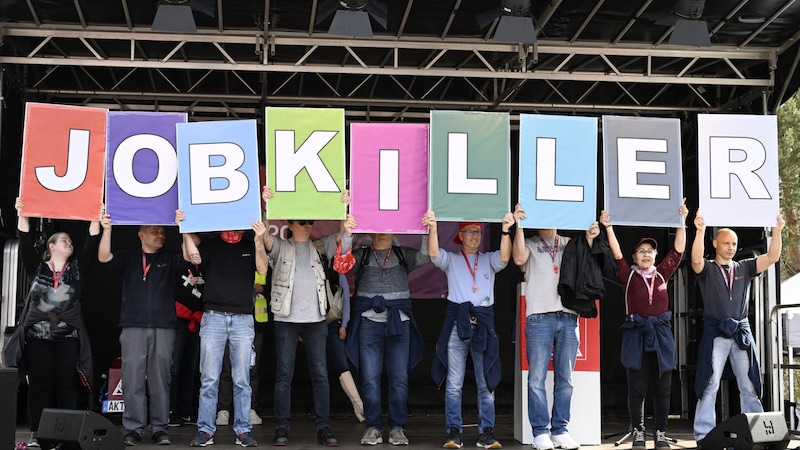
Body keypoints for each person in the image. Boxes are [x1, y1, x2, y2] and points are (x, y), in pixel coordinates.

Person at [262, 186, 353, 447]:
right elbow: (265, 237)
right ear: (289, 223)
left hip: (315, 321)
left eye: (310, 221)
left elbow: (343, 242)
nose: (307, 225)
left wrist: (343, 210)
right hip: (286, 320)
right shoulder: (281, 246)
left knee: (321, 375)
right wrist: (266, 206)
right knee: (284, 375)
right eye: (302, 221)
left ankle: (324, 428)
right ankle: (281, 428)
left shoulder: (320, 246)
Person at [98, 211, 198, 446]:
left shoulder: (170, 257)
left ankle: (160, 428)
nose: (160, 235)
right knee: (132, 380)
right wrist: (108, 229)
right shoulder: (130, 257)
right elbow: (104, 258)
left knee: (160, 379)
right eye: (155, 231)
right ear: (141, 234)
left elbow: (193, 258)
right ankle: (133, 429)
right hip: (133, 326)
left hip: (164, 327)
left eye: (162, 232)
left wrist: (184, 227)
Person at [691, 209, 785, 445]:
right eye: (726, 243)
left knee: (749, 384)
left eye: (734, 243)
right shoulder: (708, 268)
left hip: (741, 333)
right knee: (709, 384)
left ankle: (759, 434)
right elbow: (695, 260)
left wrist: (776, 231)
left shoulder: (744, 267)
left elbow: (772, 257)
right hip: (716, 333)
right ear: (715, 244)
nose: (731, 247)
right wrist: (700, 230)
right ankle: (704, 435)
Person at [601, 199, 688, 449]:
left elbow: (678, 252)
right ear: (634, 257)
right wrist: (608, 226)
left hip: (661, 336)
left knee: (662, 389)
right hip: (636, 335)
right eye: (642, 252)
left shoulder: (663, 273)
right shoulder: (627, 275)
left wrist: (681, 220)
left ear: (656, 256)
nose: (647, 255)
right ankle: (638, 431)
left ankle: (660, 432)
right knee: (637, 388)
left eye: (650, 251)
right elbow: (616, 253)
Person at [15, 198, 100, 448]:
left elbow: (91, 242)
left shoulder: (77, 270)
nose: (70, 243)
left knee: (65, 384)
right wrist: (23, 213)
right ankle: (35, 431)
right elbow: (24, 240)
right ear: (51, 246)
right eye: (64, 240)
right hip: (37, 338)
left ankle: (67, 433)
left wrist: (95, 215)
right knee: (39, 385)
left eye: (70, 241)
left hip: (67, 338)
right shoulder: (37, 268)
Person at [426, 210, 513, 450]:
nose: (475, 236)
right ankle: (454, 432)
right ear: (460, 236)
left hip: (483, 325)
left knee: (485, 382)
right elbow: (434, 253)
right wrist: (432, 227)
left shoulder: (488, 259)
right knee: (454, 383)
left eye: (478, 231)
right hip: (458, 326)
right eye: (470, 232)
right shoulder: (452, 259)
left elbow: (505, 257)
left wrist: (505, 230)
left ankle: (487, 432)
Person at [511, 203, 594, 450]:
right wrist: (519, 225)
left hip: (568, 316)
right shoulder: (529, 242)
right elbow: (517, 259)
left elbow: (589, 262)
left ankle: (560, 430)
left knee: (565, 378)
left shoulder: (570, 243)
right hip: (539, 316)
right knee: (536, 377)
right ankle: (540, 432)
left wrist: (590, 236)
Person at [182, 221, 269, 448]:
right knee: (209, 378)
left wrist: (259, 241)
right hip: (214, 317)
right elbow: (193, 258)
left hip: (242, 318)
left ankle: (243, 430)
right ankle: (205, 430)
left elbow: (262, 269)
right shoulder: (211, 243)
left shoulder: (251, 244)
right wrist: (184, 227)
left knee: (242, 379)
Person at [344, 229, 430, 446]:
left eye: (388, 228)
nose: (383, 233)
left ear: (395, 231)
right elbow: (341, 262)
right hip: (368, 325)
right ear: (370, 232)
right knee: (369, 379)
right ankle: (373, 427)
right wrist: (346, 232)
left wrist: (430, 228)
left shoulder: (404, 255)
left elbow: (427, 255)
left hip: (399, 325)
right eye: (378, 228)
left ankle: (397, 428)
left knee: (399, 379)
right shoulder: (360, 255)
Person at [216, 272, 270, 427]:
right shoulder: (234, 259)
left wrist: (262, 289)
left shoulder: (263, 263)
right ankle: (223, 409)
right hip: (230, 320)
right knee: (226, 367)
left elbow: (274, 287)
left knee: (252, 368)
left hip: (256, 323)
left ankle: (250, 408)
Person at [168, 262, 204, 428]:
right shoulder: (175, 263)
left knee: (191, 368)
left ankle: (186, 410)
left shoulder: (204, 266)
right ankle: (170, 411)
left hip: (196, 322)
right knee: (173, 367)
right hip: (177, 321)